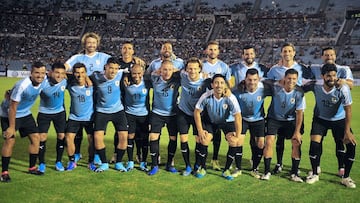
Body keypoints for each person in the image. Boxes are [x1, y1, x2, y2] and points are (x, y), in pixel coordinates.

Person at [304, 64, 356, 188]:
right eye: (328, 76)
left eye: (334, 75)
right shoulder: (316, 86)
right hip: (320, 119)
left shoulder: (343, 89)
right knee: (314, 144)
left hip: (339, 120)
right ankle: (315, 173)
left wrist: (347, 131)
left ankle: (346, 177)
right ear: (322, 76)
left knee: (351, 145)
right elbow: (300, 88)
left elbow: (348, 109)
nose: (332, 78)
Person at [266, 42, 312, 174]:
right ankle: (279, 164)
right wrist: (277, 82)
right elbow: (267, 83)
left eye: (289, 51)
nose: (287, 53)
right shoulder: (275, 69)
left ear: (294, 53)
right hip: (278, 110)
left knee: (296, 140)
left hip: (295, 109)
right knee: (279, 139)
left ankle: (295, 170)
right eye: (284, 51)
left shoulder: (301, 68)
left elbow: (310, 82)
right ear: (281, 53)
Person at [65, 32, 110, 163]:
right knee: (79, 127)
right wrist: (81, 78)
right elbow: (65, 68)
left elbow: (116, 66)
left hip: (100, 96)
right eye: (89, 42)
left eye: (93, 42)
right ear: (84, 43)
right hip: (83, 93)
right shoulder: (77, 57)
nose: (91, 44)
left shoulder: (104, 57)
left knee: (99, 127)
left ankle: (96, 153)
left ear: (97, 44)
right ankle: (77, 153)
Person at [1, 62, 47, 182]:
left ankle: (32, 167)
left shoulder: (45, 79)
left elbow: (60, 73)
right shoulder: (22, 85)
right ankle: (4, 172)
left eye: (42, 73)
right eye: (37, 73)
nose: (40, 75)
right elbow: (12, 107)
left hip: (25, 113)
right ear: (31, 73)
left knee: (36, 138)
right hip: (9, 114)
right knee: (10, 141)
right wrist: (11, 127)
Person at [194, 74, 243, 180]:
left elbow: (238, 116)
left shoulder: (230, 97)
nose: (219, 85)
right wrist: (200, 130)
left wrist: (238, 135)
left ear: (225, 84)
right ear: (212, 85)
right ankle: (203, 168)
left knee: (234, 141)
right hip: (211, 122)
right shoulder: (206, 96)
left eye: (221, 83)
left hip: (226, 122)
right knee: (204, 139)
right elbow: (197, 112)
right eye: (216, 83)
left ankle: (226, 170)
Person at [261, 69, 305, 182]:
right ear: (284, 78)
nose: (291, 81)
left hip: (290, 120)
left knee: (296, 142)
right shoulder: (275, 86)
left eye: (294, 78)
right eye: (289, 78)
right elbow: (264, 81)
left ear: (297, 79)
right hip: (274, 119)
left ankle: (294, 173)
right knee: (269, 141)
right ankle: (266, 172)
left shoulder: (299, 92)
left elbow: (300, 113)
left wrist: (297, 132)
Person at [110, 41, 147, 165]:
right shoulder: (117, 63)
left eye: (129, 48)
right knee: (119, 131)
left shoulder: (137, 64)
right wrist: (125, 74)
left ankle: (138, 154)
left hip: (134, 101)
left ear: (133, 51)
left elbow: (141, 75)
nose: (126, 50)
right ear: (121, 50)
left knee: (137, 133)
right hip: (118, 101)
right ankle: (116, 153)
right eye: (124, 48)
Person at [90, 57, 128, 172]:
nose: (113, 71)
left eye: (116, 69)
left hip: (118, 111)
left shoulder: (121, 74)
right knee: (97, 138)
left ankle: (119, 162)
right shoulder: (96, 76)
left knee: (123, 137)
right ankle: (104, 163)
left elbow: (137, 71)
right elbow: (83, 76)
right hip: (102, 111)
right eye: (111, 68)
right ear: (106, 67)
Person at [232, 68, 271, 179]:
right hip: (243, 119)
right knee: (238, 141)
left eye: (255, 79)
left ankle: (255, 168)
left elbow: (278, 91)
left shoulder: (263, 90)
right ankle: (238, 168)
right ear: (245, 79)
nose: (252, 82)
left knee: (260, 144)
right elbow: (228, 97)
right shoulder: (238, 91)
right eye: (250, 80)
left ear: (258, 79)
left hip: (259, 120)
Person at [177, 57, 211, 176]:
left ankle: (197, 164)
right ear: (186, 69)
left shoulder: (206, 80)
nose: (192, 71)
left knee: (199, 139)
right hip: (184, 112)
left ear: (200, 69)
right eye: (190, 68)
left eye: (195, 69)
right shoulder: (183, 76)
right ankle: (187, 166)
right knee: (183, 139)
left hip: (198, 114)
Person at [147, 60, 181, 176]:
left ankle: (170, 163)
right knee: (153, 137)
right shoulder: (154, 78)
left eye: (170, 70)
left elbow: (189, 75)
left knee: (173, 138)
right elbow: (141, 74)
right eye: (164, 69)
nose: (167, 72)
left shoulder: (177, 80)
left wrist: (179, 71)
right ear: (160, 70)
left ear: (173, 71)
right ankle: (154, 164)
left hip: (172, 114)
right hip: (157, 113)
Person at [201, 40, 231, 171]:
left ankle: (215, 159)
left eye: (215, 49)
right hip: (205, 104)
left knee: (217, 132)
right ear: (206, 51)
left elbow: (229, 85)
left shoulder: (224, 67)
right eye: (210, 49)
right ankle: (200, 161)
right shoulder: (201, 65)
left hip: (219, 104)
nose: (212, 51)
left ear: (218, 51)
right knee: (203, 135)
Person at [64, 63, 96, 171]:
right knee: (68, 138)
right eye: (77, 72)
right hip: (74, 117)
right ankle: (72, 161)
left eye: (82, 72)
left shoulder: (92, 86)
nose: (79, 75)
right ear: (73, 73)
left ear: (86, 73)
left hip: (89, 118)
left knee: (92, 140)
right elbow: (62, 74)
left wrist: (86, 77)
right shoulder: (70, 85)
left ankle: (91, 162)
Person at [37, 62, 67, 173]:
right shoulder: (43, 83)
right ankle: (41, 163)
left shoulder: (65, 81)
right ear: (51, 73)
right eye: (57, 73)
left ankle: (58, 161)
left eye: (62, 73)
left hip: (59, 113)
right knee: (42, 137)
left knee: (61, 136)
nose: (59, 76)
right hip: (44, 113)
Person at [122, 64, 151, 172]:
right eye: (134, 73)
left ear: (143, 73)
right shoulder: (125, 82)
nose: (136, 75)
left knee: (144, 138)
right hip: (129, 113)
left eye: (139, 73)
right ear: (130, 73)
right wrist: (125, 75)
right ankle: (130, 161)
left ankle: (143, 162)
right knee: (130, 136)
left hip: (144, 114)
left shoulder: (148, 82)